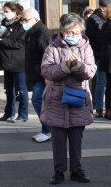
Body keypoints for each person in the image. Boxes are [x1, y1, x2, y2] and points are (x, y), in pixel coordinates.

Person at [40, 13, 96, 184]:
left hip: (79, 97)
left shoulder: (86, 46)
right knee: (58, 141)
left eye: (76, 32)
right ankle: (58, 171)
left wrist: (78, 65)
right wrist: (65, 66)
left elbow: (90, 72)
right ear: (63, 32)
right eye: (69, 32)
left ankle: (77, 170)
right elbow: (47, 71)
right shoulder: (52, 48)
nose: (73, 36)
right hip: (56, 99)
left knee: (76, 140)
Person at [0, 1, 29, 123]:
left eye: (7, 12)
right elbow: (1, 36)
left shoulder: (22, 24)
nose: (5, 14)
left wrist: (2, 41)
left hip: (19, 62)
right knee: (9, 90)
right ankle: (8, 114)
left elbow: (20, 43)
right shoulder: (4, 22)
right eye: (4, 11)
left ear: (15, 11)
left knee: (22, 90)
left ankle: (22, 115)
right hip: (7, 61)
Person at [21, 8, 53, 143]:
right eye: (22, 19)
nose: (23, 22)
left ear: (35, 18)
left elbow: (49, 55)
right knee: (39, 101)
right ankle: (46, 129)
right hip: (35, 74)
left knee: (37, 100)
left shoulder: (42, 32)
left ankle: (49, 130)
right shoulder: (32, 31)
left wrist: (48, 75)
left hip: (42, 75)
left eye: (26, 19)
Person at [85, 0, 111, 117]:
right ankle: (99, 108)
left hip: (103, 53)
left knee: (103, 82)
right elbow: (95, 38)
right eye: (108, 8)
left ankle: (103, 108)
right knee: (101, 82)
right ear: (103, 8)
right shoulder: (94, 19)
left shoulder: (102, 18)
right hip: (99, 54)